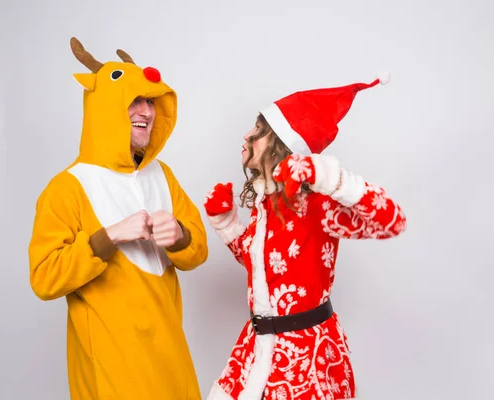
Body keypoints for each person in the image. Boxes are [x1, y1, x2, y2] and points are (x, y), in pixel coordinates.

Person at [203, 72, 407, 400]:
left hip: (305, 358)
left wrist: (330, 177)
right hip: (257, 350)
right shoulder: (266, 201)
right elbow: (263, 270)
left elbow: (392, 222)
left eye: (257, 130)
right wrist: (228, 225)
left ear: (280, 143)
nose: (245, 136)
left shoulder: (315, 203)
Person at [28, 37, 208, 400]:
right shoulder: (68, 187)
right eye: (134, 100)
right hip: (110, 367)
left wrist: (181, 236)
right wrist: (107, 237)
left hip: (170, 354)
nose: (147, 110)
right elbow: (44, 278)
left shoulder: (162, 175)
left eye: (151, 101)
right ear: (107, 106)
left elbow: (198, 251)